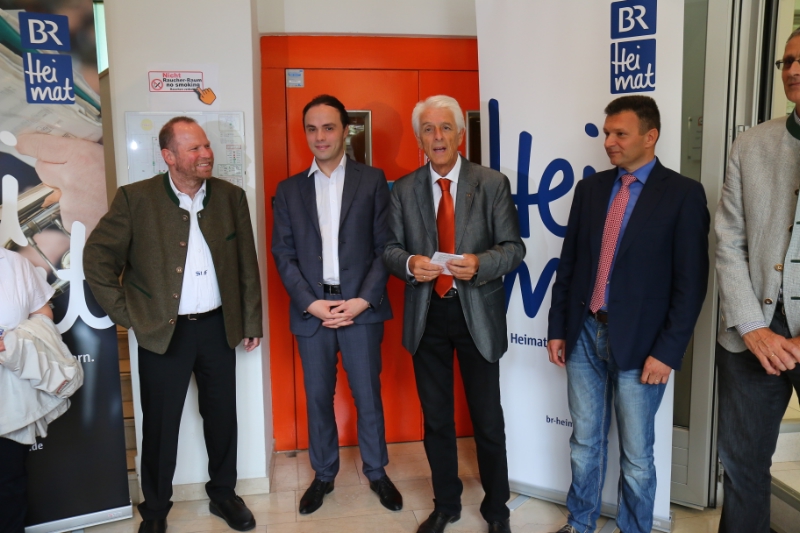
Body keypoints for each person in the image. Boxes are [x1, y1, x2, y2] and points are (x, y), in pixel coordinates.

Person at [83, 117, 263, 533]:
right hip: (163, 333)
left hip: (218, 328)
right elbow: (97, 258)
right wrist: (129, 315)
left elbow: (246, 266)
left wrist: (250, 319)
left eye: (206, 146)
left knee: (222, 418)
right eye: (194, 149)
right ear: (169, 156)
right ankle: (155, 509)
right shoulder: (135, 199)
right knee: (160, 427)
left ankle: (224, 494)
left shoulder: (231, 197)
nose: (206, 154)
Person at [546, 95, 709, 533]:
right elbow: (570, 265)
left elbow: (691, 284)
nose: (609, 142)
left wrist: (668, 352)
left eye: (620, 133)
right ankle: (580, 524)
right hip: (584, 334)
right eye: (607, 133)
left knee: (637, 456)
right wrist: (558, 328)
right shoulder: (591, 190)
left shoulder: (683, 195)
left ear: (650, 136)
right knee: (584, 442)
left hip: (643, 344)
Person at [383, 95, 525, 533]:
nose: (438, 136)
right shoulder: (403, 188)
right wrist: (410, 264)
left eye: (445, 127)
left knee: (488, 420)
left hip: (476, 313)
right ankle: (446, 504)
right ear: (419, 139)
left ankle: (497, 510)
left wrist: (481, 263)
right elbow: (389, 249)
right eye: (428, 129)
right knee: (437, 420)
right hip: (427, 316)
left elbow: (513, 248)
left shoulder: (491, 183)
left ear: (460, 135)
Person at [272, 94, 402, 515]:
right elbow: (283, 254)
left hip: (360, 308)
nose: (320, 136)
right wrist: (310, 303)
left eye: (329, 127)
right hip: (313, 311)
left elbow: (386, 247)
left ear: (346, 131)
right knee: (317, 397)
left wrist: (363, 300)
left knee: (367, 395)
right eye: (312, 129)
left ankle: (377, 471)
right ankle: (324, 474)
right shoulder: (289, 190)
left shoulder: (373, 180)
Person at [715, 27, 800, 533]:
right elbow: (729, 241)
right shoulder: (751, 145)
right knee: (743, 468)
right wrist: (752, 327)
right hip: (754, 336)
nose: (793, 69)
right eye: (787, 61)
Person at [0, 248, 56, 533]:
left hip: (11, 391)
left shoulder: (15, 264)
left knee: (8, 479)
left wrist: (12, 342)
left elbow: (43, 313)